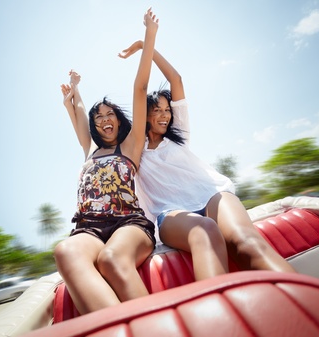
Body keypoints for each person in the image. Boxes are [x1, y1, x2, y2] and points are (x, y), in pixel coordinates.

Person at [118, 41, 296, 278]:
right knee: (204, 229)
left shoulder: (178, 132)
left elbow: (176, 79)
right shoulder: (135, 151)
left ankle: (306, 298)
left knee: (246, 240)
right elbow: (138, 92)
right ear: (145, 114)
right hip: (170, 212)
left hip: (211, 194)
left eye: (167, 110)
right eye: (157, 110)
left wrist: (145, 47)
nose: (165, 115)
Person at [54, 8, 159, 315]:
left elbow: (140, 89)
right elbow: (79, 113)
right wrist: (74, 91)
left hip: (128, 224)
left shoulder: (130, 145)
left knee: (112, 259)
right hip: (89, 229)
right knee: (65, 251)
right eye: (98, 117)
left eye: (109, 113)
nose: (103, 119)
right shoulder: (89, 150)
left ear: (118, 119)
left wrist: (149, 36)